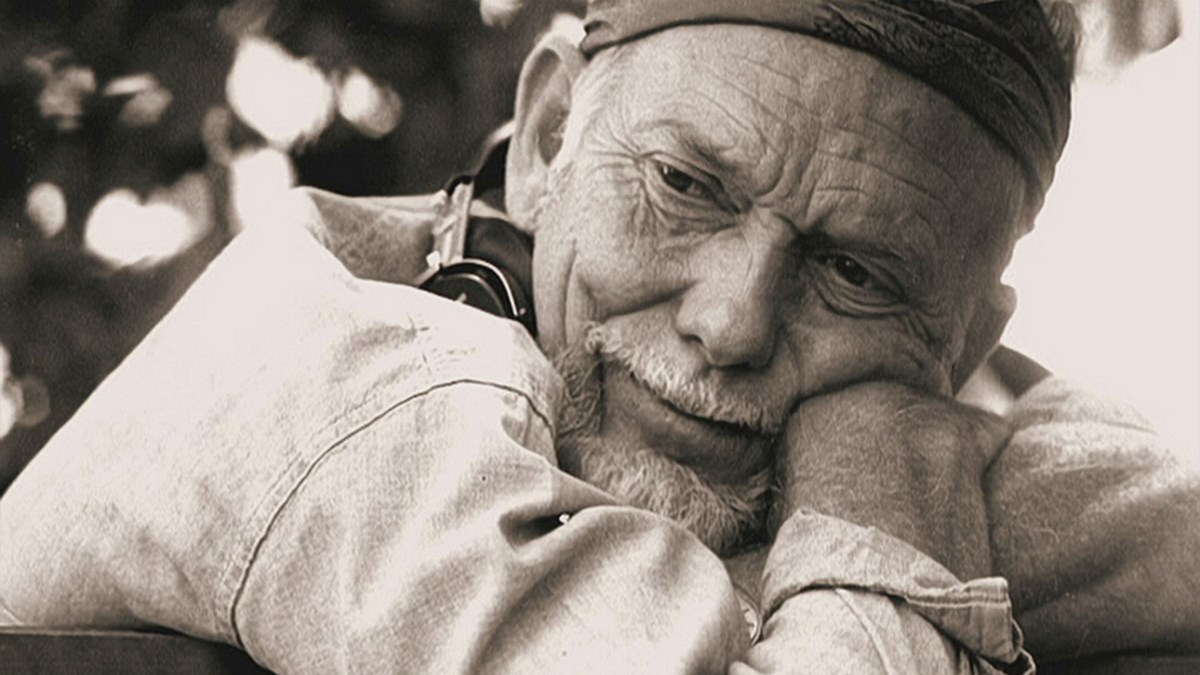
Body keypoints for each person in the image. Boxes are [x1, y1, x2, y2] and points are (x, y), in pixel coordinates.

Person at [2, 0, 1197, 672]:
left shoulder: (882, 416)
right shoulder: (365, 395)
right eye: (685, 186)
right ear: (547, 136)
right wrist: (888, 507)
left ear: (959, 345)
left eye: (854, 272)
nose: (730, 322)